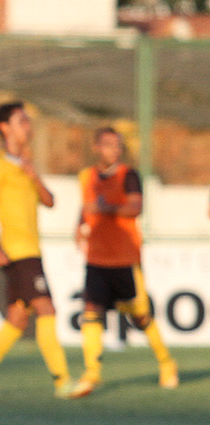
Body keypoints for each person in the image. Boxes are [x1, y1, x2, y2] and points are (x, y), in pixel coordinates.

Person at [0, 101, 77, 399]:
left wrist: (34, 174)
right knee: (46, 308)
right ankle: (63, 381)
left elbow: (50, 202)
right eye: (22, 121)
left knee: (17, 318)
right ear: (4, 128)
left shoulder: (25, 166)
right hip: (18, 252)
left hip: (32, 250)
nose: (28, 126)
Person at [71, 127, 178, 397]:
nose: (114, 150)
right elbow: (86, 205)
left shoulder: (128, 175)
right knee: (92, 312)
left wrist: (108, 208)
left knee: (140, 316)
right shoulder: (86, 176)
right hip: (96, 257)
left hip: (124, 258)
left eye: (117, 145)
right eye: (108, 145)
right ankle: (92, 374)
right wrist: (79, 225)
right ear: (96, 147)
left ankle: (166, 363)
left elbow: (135, 207)